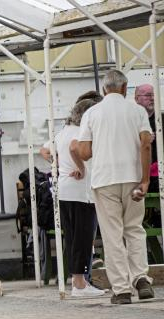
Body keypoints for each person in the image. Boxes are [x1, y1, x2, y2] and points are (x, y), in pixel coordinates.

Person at [71, 69, 154, 304]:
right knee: (135, 229)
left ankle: (122, 290)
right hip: (133, 178)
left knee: (113, 235)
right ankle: (141, 279)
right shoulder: (138, 111)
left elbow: (85, 152)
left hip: (104, 180)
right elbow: (146, 145)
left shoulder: (92, 114)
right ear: (125, 88)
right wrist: (146, 179)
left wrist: (86, 147)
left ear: (104, 88)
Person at [43, 99, 105, 297]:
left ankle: (77, 282)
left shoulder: (62, 132)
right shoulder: (80, 133)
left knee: (72, 238)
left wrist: (59, 162)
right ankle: (80, 283)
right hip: (81, 193)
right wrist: (81, 168)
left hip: (64, 191)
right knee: (84, 238)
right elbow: (73, 148)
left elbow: (44, 150)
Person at [134, 84, 163, 193]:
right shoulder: (130, 119)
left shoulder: (161, 119)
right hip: (137, 173)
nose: (152, 98)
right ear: (137, 98)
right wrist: (142, 140)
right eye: (148, 95)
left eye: (154, 95)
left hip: (159, 173)